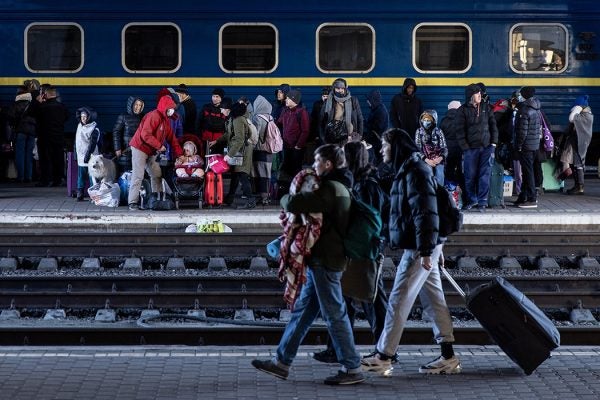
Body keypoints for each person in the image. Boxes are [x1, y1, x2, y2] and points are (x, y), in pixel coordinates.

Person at [251, 144, 365, 386]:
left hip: (326, 260)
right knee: (303, 312)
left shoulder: (330, 188)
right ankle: (282, 362)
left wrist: (284, 196)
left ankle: (352, 367)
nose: (313, 166)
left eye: (317, 161)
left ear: (328, 164)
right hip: (322, 260)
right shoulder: (342, 186)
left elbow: (294, 204)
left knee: (335, 313)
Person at [361, 128, 460, 376]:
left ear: (396, 147)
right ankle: (448, 356)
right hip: (427, 245)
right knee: (434, 300)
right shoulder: (408, 169)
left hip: (420, 248)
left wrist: (428, 250)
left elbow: (425, 213)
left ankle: (384, 355)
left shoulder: (415, 171)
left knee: (398, 298)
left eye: (385, 146)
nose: (382, 150)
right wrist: (436, 247)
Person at [312, 140, 391, 364]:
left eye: (345, 157)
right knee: (347, 298)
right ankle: (338, 348)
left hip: (365, 249)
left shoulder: (367, 185)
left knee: (372, 299)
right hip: (355, 247)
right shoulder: (358, 181)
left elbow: (369, 219)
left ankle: (385, 349)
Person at [127, 95, 183, 210]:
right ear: (164, 107)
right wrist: (159, 146)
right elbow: (145, 135)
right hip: (140, 147)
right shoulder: (153, 116)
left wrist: (180, 155)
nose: (172, 110)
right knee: (138, 175)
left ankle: (158, 199)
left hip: (151, 150)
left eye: (173, 108)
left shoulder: (166, 121)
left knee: (156, 174)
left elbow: (172, 139)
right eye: (170, 108)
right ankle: (132, 202)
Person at [456, 83, 499, 211]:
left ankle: (482, 202)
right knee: (470, 176)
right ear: (470, 95)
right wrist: (465, 148)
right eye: (477, 93)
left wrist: (493, 144)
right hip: (470, 149)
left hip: (487, 148)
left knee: (484, 175)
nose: (480, 95)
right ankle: (472, 200)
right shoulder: (462, 110)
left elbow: (493, 126)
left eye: (480, 93)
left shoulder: (486, 107)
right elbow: (459, 131)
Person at [211, 101, 255, 209]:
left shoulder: (238, 120)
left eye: (222, 109)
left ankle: (250, 201)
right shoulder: (233, 119)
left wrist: (229, 155)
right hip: (238, 150)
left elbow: (240, 139)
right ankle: (229, 199)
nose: (221, 111)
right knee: (235, 175)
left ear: (228, 110)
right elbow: (228, 134)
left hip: (242, 151)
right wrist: (216, 141)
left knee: (242, 175)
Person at [34, 86, 69, 187]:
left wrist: (37, 102)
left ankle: (45, 180)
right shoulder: (62, 106)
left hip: (44, 137)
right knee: (58, 158)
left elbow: (31, 114)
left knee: (45, 159)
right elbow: (67, 117)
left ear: (45, 95)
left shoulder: (42, 107)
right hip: (58, 136)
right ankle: (58, 179)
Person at [513, 87, 542, 208]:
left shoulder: (524, 110)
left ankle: (531, 198)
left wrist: (519, 145)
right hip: (534, 145)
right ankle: (523, 196)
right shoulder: (536, 108)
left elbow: (522, 132)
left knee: (528, 172)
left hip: (526, 146)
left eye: (520, 94)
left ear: (524, 95)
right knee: (527, 172)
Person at [563, 95, 594, 195]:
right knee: (577, 162)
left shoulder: (587, 116)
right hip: (578, 140)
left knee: (579, 162)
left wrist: (577, 108)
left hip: (581, 142)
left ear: (581, 107)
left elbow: (571, 118)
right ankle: (578, 186)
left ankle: (580, 186)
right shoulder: (584, 114)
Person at [277, 88, 310, 183]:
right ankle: (286, 190)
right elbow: (279, 123)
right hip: (286, 146)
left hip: (296, 148)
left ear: (294, 100)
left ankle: (296, 190)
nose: (286, 100)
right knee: (286, 169)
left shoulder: (301, 112)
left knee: (296, 170)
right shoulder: (286, 111)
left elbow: (305, 131)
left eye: (288, 98)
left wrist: (298, 146)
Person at [6, 86, 36, 183]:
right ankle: (29, 177)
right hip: (32, 132)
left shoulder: (15, 105)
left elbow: (10, 119)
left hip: (21, 132)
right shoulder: (32, 104)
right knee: (29, 154)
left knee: (20, 154)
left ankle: (21, 177)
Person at [320, 78, 363, 145]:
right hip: (333, 138)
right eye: (337, 88)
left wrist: (359, 135)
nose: (340, 90)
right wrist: (323, 138)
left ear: (345, 88)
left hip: (350, 137)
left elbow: (360, 118)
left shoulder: (353, 101)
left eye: (342, 88)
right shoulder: (328, 101)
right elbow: (321, 121)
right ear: (334, 89)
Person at [252, 95, 275, 206]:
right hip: (269, 149)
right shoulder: (270, 117)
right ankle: (267, 196)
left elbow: (255, 135)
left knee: (259, 174)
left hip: (260, 149)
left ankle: (262, 197)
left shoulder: (257, 118)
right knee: (267, 174)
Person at [74, 107, 101, 201]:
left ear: (90, 117)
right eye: (82, 117)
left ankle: (94, 195)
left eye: (85, 116)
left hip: (91, 157)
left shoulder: (94, 128)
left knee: (92, 176)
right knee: (81, 177)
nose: (83, 119)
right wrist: (75, 154)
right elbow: (76, 141)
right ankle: (80, 193)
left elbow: (92, 144)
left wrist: (87, 156)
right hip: (81, 157)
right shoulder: (79, 126)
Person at [112, 96, 144, 174]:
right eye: (136, 104)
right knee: (125, 174)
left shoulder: (143, 117)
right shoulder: (123, 116)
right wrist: (117, 148)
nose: (138, 107)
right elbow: (116, 131)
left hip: (139, 151)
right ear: (131, 105)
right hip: (125, 151)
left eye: (140, 105)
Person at [415, 110, 447, 186]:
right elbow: (417, 149)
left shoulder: (439, 131)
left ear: (433, 121)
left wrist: (440, 158)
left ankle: (439, 193)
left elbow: (444, 148)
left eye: (428, 120)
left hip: (437, 159)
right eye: (424, 120)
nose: (426, 122)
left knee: (439, 174)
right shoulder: (419, 132)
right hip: (424, 159)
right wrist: (426, 160)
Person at [440, 100, 463, 187]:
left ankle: (450, 188)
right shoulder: (462, 120)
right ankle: (460, 189)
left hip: (448, 150)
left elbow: (441, 135)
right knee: (460, 170)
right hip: (460, 149)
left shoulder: (444, 120)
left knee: (449, 169)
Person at [365, 89, 389, 165]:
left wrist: (365, 123)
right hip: (375, 141)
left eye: (368, 100)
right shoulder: (376, 109)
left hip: (377, 142)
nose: (367, 102)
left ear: (373, 100)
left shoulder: (380, 110)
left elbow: (377, 126)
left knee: (378, 161)